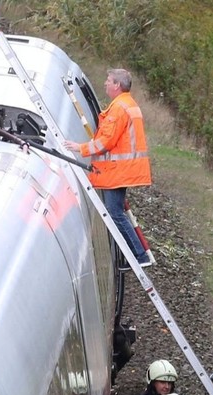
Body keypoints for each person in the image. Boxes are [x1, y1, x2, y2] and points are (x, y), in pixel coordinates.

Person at [62, 69, 153, 267]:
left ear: (117, 85)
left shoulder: (119, 108)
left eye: (108, 80)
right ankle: (135, 255)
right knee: (116, 211)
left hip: (117, 170)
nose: (105, 83)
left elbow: (106, 142)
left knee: (115, 212)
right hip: (122, 169)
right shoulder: (128, 104)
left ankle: (138, 256)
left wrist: (81, 148)